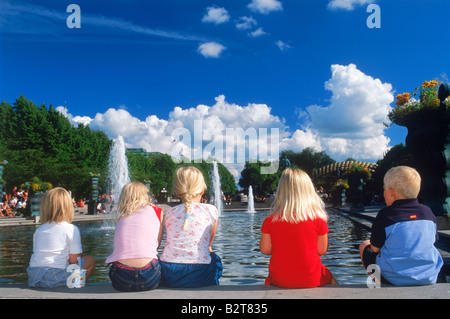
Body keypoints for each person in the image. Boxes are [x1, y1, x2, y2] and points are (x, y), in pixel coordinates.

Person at [359, 166, 444, 286]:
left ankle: (378, 282)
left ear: (391, 194)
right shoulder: (428, 212)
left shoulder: (386, 215)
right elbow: (433, 240)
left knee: (364, 246)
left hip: (394, 279)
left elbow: (374, 249)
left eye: (384, 190)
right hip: (428, 277)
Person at [259, 168, 338, 288]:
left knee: (270, 278)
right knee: (329, 276)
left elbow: (265, 250)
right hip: (311, 277)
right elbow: (321, 251)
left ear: (281, 191)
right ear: (308, 190)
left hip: (280, 279)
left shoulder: (270, 220)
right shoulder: (318, 220)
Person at [160, 166, 222, 288]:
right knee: (215, 259)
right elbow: (209, 244)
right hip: (200, 272)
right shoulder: (210, 210)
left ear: (177, 190)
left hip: (169, 271)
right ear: (202, 190)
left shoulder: (170, 213)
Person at [27, 187, 95, 288]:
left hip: (35, 276)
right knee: (89, 260)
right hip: (55, 277)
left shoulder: (39, 229)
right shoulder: (71, 229)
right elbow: (74, 260)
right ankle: (76, 286)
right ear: (68, 206)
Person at [105, 182, 163, 292]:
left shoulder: (122, 218)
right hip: (149, 276)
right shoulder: (157, 211)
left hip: (122, 279)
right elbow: (157, 244)